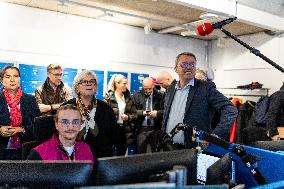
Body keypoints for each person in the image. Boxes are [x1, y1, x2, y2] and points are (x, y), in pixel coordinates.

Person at [162, 52, 238, 149]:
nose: (189, 67)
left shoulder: (205, 88)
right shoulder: (170, 89)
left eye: (192, 64)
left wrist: (215, 135)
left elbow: (230, 110)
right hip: (168, 146)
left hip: (192, 149)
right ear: (176, 68)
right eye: (184, 64)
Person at [63, 70, 117, 158]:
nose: (89, 84)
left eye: (92, 81)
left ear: (95, 86)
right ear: (77, 87)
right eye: (84, 82)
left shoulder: (106, 109)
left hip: (99, 158)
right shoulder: (66, 107)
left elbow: (114, 136)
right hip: (71, 158)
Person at [27, 104, 95, 167]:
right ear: (56, 124)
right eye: (65, 122)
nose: (70, 127)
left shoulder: (88, 150)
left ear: (80, 125)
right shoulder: (37, 153)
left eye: (75, 122)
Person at [0, 66, 41, 159]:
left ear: (19, 79)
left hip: (25, 150)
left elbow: (38, 126)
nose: (12, 79)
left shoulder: (30, 99)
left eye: (16, 76)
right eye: (8, 76)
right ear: (2, 80)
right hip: (2, 150)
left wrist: (22, 129)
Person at [104, 74, 137, 156]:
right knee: (109, 153)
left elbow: (135, 114)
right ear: (117, 84)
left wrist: (128, 117)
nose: (126, 85)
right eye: (124, 83)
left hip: (125, 130)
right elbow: (103, 116)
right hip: (112, 130)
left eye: (126, 83)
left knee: (121, 155)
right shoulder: (108, 98)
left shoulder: (129, 98)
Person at [132, 77, 164, 153]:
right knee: (140, 153)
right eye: (145, 89)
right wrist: (142, 113)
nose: (148, 91)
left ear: (153, 85)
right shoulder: (136, 95)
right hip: (141, 129)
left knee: (155, 153)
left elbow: (165, 111)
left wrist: (157, 113)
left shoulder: (160, 95)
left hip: (155, 128)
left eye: (150, 88)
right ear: (143, 86)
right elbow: (131, 111)